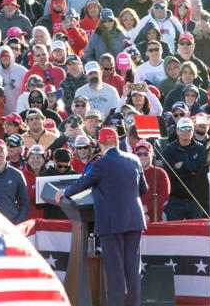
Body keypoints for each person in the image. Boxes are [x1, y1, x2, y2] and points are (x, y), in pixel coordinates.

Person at [55, 127, 147, 306]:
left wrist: (64, 192)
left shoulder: (101, 163)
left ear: (100, 143)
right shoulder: (134, 159)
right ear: (116, 141)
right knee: (133, 269)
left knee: (115, 271)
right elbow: (144, 189)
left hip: (112, 222)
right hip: (134, 220)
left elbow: (82, 183)